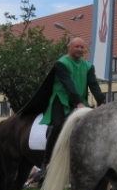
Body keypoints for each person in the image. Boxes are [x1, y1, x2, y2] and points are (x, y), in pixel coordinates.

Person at [20, 37, 106, 170]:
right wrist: (77, 103)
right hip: (61, 99)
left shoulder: (88, 66)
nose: (79, 49)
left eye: (82, 47)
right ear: (69, 47)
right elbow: (68, 84)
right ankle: (47, 161)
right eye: (76, 47)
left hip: (80, 101)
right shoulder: (61, 63)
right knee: (58, 124)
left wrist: (101, 102)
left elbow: (93, 84)